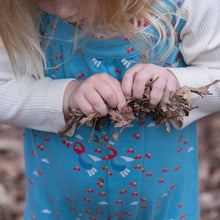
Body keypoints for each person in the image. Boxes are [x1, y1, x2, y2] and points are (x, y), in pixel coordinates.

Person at [0, 0, 220, 219]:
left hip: (162, 208)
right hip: (59, 206)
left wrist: (174, 84)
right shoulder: (22, 10)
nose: (63, 10)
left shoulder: (187, 5)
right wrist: (66, 96)